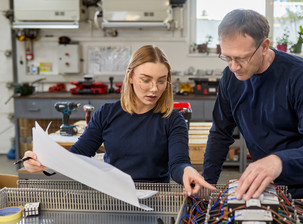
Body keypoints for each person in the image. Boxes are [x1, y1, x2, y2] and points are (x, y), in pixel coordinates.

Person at [24, 45, 215, 195]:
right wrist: (45, 163)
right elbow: (78, 156)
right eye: (145, 79)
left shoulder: (173, 120)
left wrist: (187, 171)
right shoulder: (107, 113)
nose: (154, 88)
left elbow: (178, 163)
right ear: (130, 77)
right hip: (112, 195)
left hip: (155, 198)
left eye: (161, 80)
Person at [202, 9, 303, 199]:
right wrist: (207, 185)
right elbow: (220, 133)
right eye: (227, 57)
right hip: (273, 190)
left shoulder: (302, 77)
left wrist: (278, 161)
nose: (234, 66)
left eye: (242, 58)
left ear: (264, 46)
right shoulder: (230, 78)